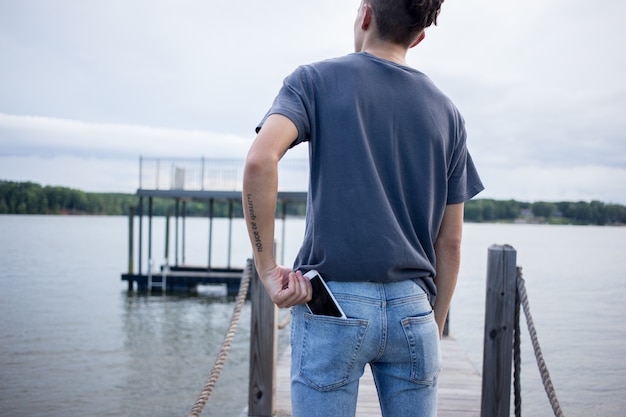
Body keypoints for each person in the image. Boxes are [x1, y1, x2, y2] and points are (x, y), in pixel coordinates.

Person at [242, 0, 484, 416]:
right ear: (419, 36)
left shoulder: (314, 81)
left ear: (366, 15)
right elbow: (452, 242)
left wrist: (267, 269)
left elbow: (260, 161)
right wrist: (434, 323)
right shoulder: (448, 114)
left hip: (332, 303)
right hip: (414, 308)